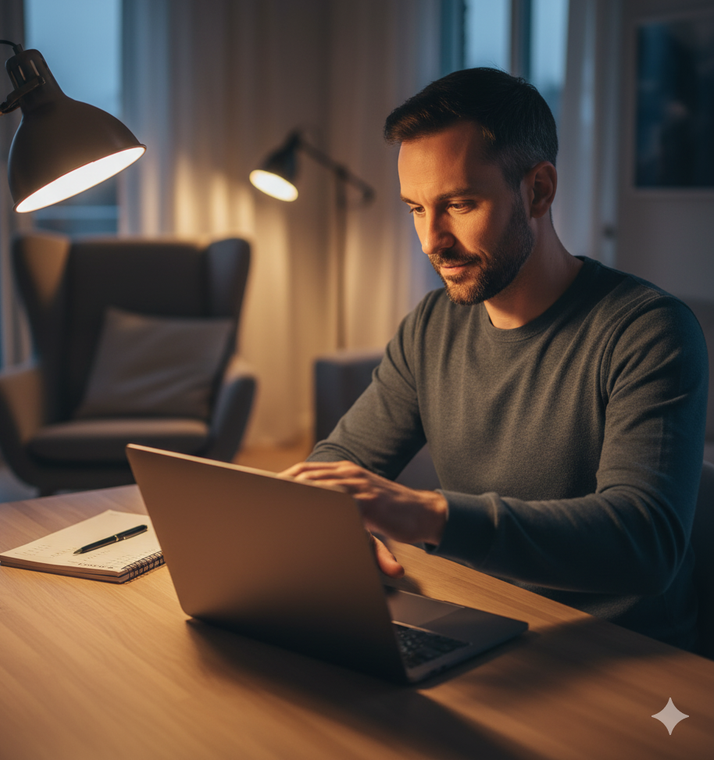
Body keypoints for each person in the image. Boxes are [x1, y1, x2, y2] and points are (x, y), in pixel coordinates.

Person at [283, 67, 709, 650]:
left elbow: (645, 543)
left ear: (538, 190)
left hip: (621, 653)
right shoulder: (432, 325)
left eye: (459, 203)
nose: (432, 240)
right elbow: (343, 459)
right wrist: (336, 524)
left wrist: (427, 514)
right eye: (415, 209)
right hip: (483, 620)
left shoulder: (647, 331)